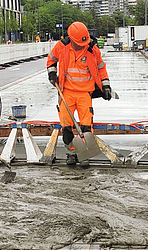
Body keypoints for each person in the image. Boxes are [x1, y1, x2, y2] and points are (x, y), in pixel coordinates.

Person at [46, 21, 112, 166]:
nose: (82, 46)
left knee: (87, 126)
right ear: (71, 39)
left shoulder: (92, 50)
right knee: (66, 126)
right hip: (66, 92)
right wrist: (52, 74)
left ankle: (84, 154)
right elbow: (51, 60)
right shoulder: (62, 47)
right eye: (79, 43)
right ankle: (71, 153)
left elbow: (101, 68)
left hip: (85, 93)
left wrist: (106, 86)